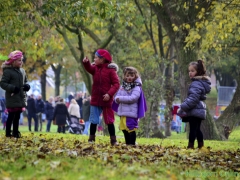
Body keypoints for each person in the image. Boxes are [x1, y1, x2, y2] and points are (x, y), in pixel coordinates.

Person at [82, 49, 120, 145]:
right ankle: (91, 139)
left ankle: (113, 140)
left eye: (96, 58)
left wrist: (109, 94)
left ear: (102, 59)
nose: (94, 59)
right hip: (95, 99)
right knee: (94, 120)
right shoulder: (95, 68)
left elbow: (116, 84)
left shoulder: (111, 71)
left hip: (106, 100)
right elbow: (89, 69)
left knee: (109, 120)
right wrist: (86, 63)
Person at [177, 60, 211, 149]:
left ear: (198, 72)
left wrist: (183, 107)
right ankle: (201, 145)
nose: (190, 73)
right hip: (199, 109)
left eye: (192, 71)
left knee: (193, 129)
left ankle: (190, 146)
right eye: (189, 71)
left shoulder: (196, 83)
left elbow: (193, 98)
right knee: (197, 129)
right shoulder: (200, 83)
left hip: (195, 109)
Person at [113, 67, 147, 145]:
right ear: (124, 76)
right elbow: (117, 96)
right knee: (124, 129)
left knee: (131, 128)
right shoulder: (123, 86)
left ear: (135, 76)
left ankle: (132, 144)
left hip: (131, 113)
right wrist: (116, 99)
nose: (129, 78)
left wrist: (120, 99)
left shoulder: (136, 87)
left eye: (131, 76)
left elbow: (133, 98)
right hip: (123, 112)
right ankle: (128, 143)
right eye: (127, 76)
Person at [0, 50, 30, 138]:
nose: (21, 62)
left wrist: (27, 86)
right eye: (19, 60)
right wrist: (12, 88)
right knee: (11, 116)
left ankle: (16, 132)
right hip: (12, 96)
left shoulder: (22, 71)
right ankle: (8, 133)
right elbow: (2, 83)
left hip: (20, 97)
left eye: (22, 60)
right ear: (13, 61)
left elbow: (26, 81)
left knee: (17, 116)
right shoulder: (8, 71)